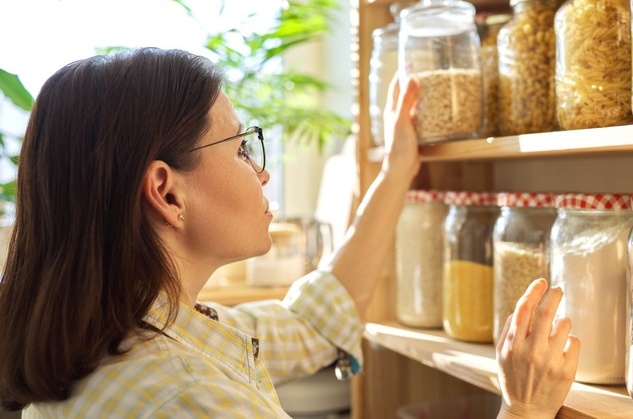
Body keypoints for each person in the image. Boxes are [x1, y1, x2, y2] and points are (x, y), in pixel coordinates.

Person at [0, 47, 579, 418]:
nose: (263, 170)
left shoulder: (126, 335)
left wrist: (397, 170)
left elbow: (314, 320)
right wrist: (525, 407)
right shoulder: (191, 400)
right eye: (240, 148)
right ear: (167, 192)